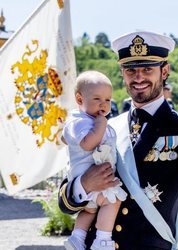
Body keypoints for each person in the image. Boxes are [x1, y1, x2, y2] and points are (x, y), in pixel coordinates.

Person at [58, 31, 178, 250]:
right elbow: (65, 202)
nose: (138, 77)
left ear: (165, 71)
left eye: (147, 69)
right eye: (131, 70)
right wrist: (84, 184)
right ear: (122, 73)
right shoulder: (107, 127)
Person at [62, 70, 127, 250]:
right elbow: (87, 143)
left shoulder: (79, 120)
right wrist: (100, 126)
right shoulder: (86, 121)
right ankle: (102, 240)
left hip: (89, 175)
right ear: (80, 99)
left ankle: (77, 237)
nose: (104, 105)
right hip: (89, 176)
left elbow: (65, 138)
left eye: (107, 100)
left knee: (89, 210)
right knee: (111, 201)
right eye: (97, 99)